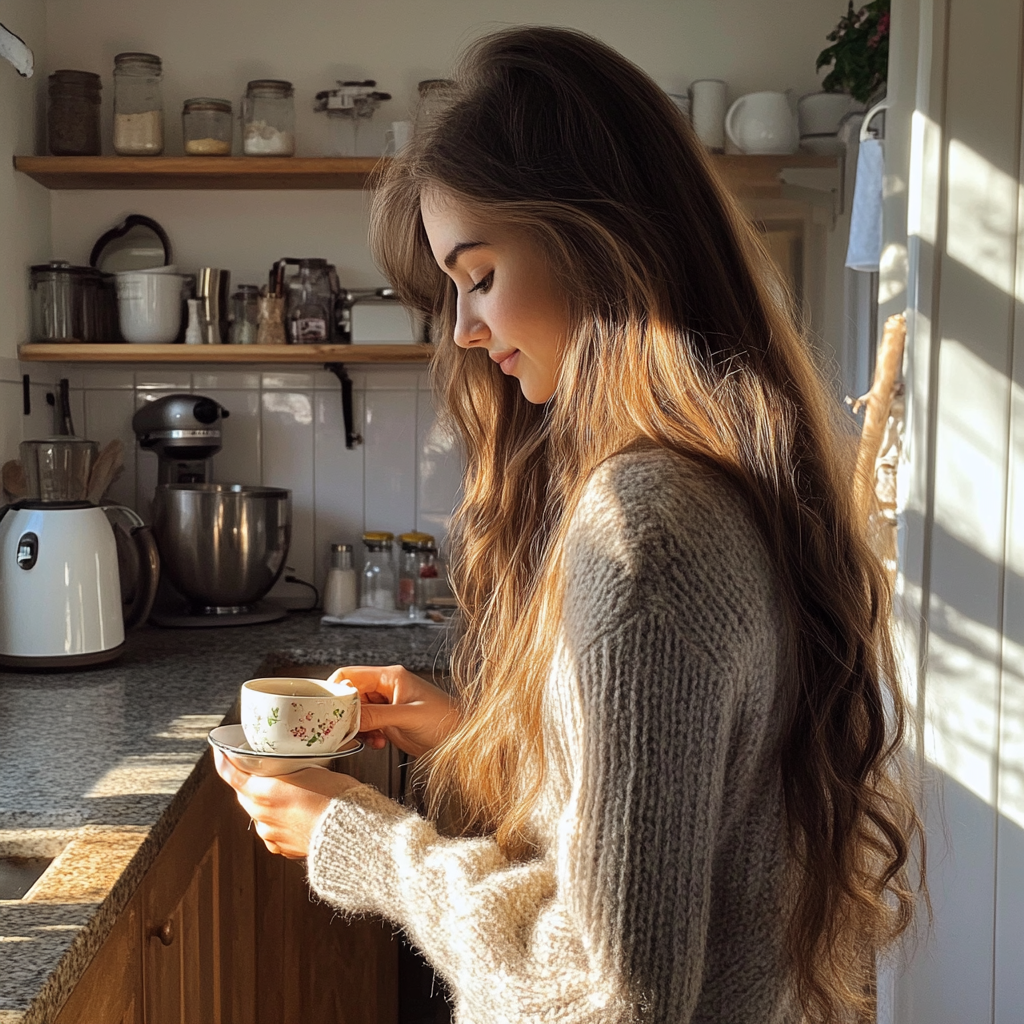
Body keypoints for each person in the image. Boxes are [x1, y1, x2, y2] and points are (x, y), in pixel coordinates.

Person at [214, 26, 923, 1023]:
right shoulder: (717, 484)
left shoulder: (643, 532)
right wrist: (466, 731)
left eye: (480, 272)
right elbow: (675, 834)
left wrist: (363, 840)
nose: (463, 328)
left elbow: (610, 993)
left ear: (598, 242)